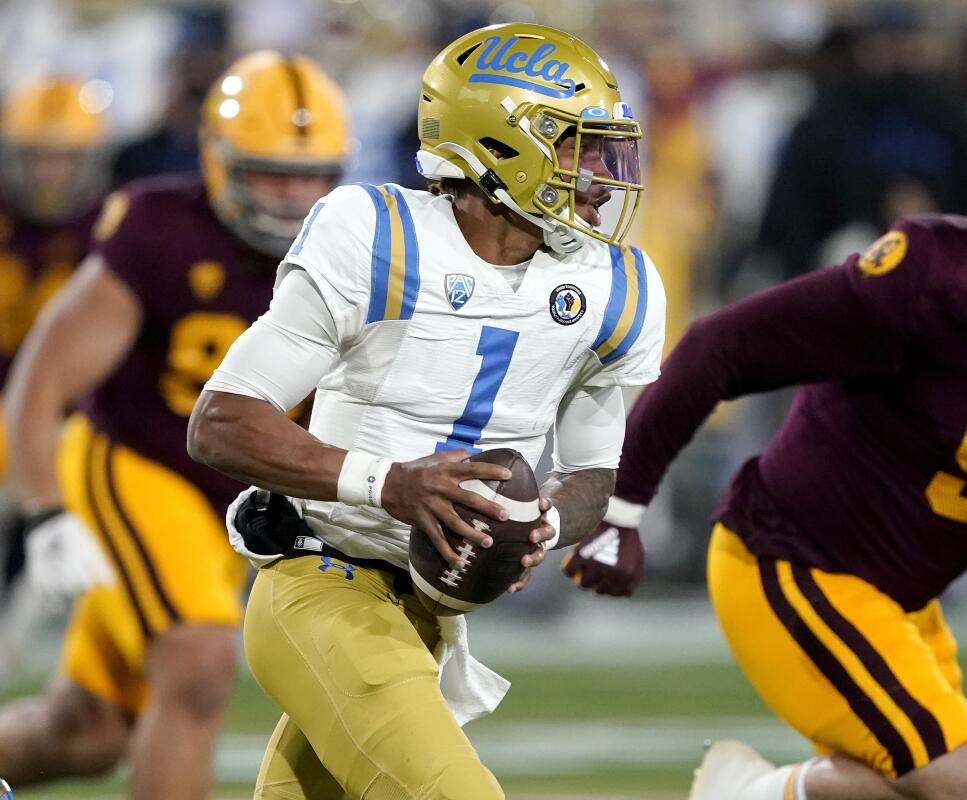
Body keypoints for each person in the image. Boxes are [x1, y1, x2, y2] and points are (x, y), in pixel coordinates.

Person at [565, 99, 967, 800]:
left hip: (900, 602)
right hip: (789, 559)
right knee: (957, 777)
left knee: (907, 792)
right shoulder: (936, 278)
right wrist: (623, 509)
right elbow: (721, 347)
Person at [186, 22, 665, 800]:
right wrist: (390, 485)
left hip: (429, 616)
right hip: (323, 579)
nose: (604, 174)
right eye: (577, 145)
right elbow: (222, 421)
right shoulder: (378, 235)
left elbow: (592, 472)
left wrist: (542, 523)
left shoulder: (615, 286)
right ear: (500, 146)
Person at [0, 51, 351, 799]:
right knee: (197, 663)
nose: (293, 195)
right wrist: (41, 511)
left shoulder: (355, 249)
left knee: (86, 733)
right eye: (269, 172)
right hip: (134, 462)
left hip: (223, 507)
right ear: (221, 162)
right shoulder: (162, 228)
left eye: (311, 173)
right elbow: (44, 374)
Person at [0, 75, 110, 482]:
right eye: (37, 158)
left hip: (68, 411)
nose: (49, 174)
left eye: (64, 159)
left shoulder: (112, 228)